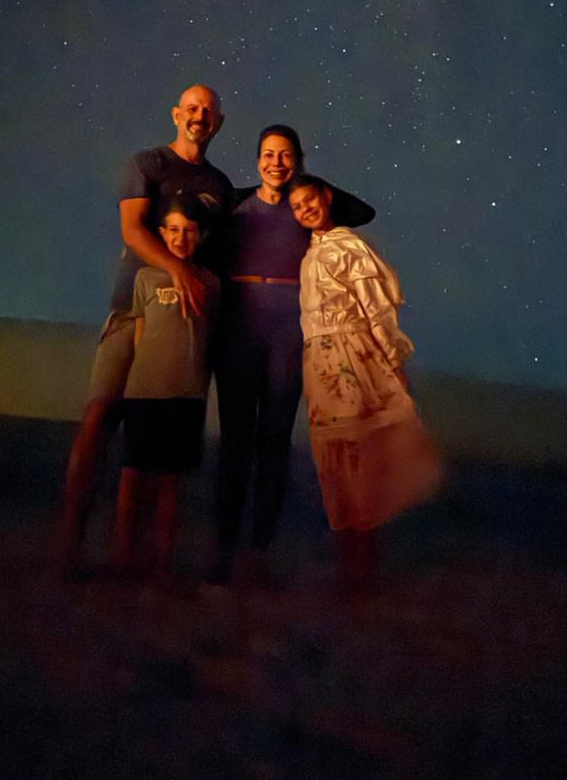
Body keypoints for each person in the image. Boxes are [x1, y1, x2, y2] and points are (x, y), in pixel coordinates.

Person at [58, 84, 234, 578]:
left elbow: (217, 250)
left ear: (218, 123)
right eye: (192, 109)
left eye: (209, 112)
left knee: (160, 447)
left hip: (180, 325)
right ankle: (71, 540)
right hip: (132, 309)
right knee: (100, 417)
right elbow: (134, 230)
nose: (200, 117)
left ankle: (139, 559)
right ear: (176, 114)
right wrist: (177, 272)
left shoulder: (218, 186)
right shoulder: (147, 164)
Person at [210, 126, 374, 585]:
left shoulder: (306, 210)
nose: (275, 163)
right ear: (256, 158)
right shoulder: (236, 206)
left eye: (285, 156)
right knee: (236, 442)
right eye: (267, 155)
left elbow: (364, 211)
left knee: (274, 443)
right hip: (239, 333)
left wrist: (310, 185)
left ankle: (258, 551)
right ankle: (223, 549)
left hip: (288, 337)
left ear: (299, 160)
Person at [286, 173, 441, 591]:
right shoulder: (309, 253)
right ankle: (347, 563)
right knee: (332, 461)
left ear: (327, 197)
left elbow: (377, 311)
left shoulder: (349, 247)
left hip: (354, 360)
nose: (305, 210)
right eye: (297, 206)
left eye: (310, 201)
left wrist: (394, 362)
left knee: (359, 458)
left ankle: (363, 566)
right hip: (319, 365)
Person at [110, 196, 221, 585]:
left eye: (189, 231)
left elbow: (209, 339)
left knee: (170, 481)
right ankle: (124, 557)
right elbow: (140, 334)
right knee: (133, 474)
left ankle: (161, 564)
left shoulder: (211, 283)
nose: (180, 237)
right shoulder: (146, 279)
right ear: (161, 234)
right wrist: (137, 379)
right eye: (172, 230)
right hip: (144, 392)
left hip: (186, 395)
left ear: (202, 235)